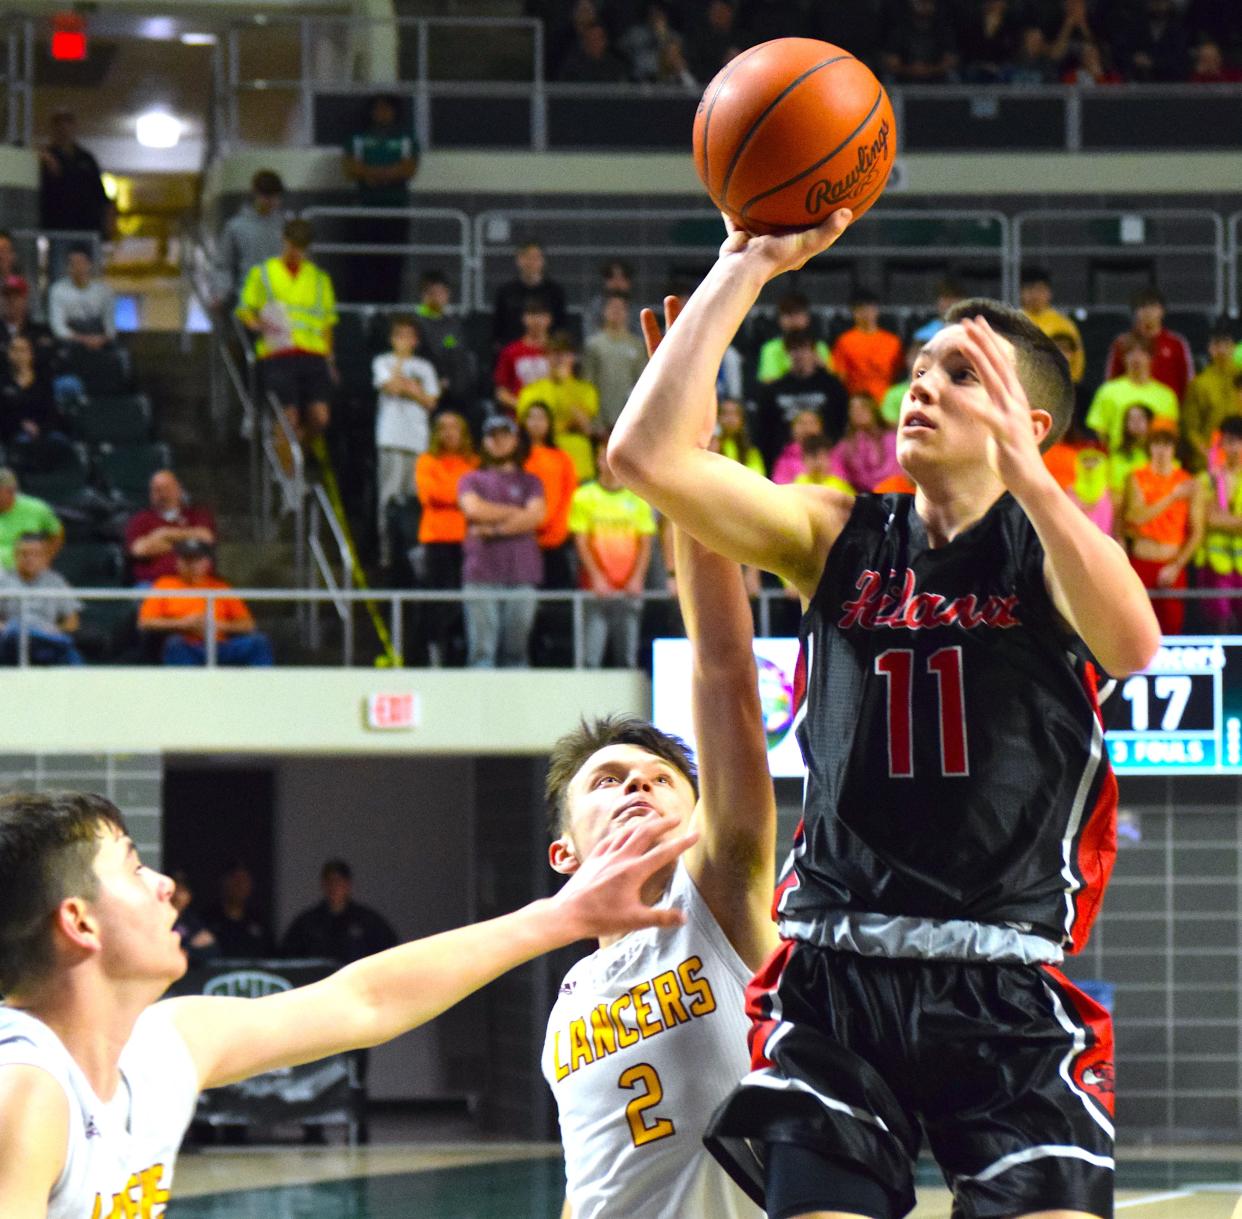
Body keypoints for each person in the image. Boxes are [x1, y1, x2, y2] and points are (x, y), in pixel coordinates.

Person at [609, 209, 1161, 1219]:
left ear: (1028, 425)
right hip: (838, 977)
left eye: (961, 374)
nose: (923, 386)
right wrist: (746, 264)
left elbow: (1134, 644)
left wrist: (1031, 482)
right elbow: (643, 459)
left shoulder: (1045, 554)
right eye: (921, 368)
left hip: (1003, 988)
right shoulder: (838, 531)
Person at [0, 789, 695, 1216]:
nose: (164, 885)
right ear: (80, 923)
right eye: (131, 866)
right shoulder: (25, 1089)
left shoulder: (165, 1045)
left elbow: (363, 1000)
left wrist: (562, 917)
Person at [544, 328, 775, 1213]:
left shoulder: (717, 894)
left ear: (697, 815)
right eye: (606, 781)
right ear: (566, 855)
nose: (636, 782)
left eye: (657, 776)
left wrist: (688, 471)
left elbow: (724, 669)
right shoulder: (567, 996)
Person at [236, 218, 338, 460]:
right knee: (287, 417)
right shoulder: (263, 274)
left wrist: (330, 360)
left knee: (320, 417)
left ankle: (298, 451)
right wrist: (257, 323)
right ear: (284, 241)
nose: (296, 252)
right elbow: (245, 309)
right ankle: (288, 479)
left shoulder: (319, 279)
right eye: (293, 246)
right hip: (278, 352)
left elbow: (327, 322)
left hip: (312, 353)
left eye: (301, 248)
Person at [457, 415, 545, 668]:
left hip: (522, 573)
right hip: (481, 574)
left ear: (516, 440)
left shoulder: (530, 481)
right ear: (483, 442)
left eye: (504, 435)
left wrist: (494, 530)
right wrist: (517, 513)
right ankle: (478, 706)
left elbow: (537, 516)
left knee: (517, 654)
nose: (498, 441)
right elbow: (473, 509)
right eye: (492, 435)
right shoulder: (471, 479)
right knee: (482, 652)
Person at [569, 436, 656, 668]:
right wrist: (596, 577)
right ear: (598, 460)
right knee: (590, 656)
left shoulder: (638, 498)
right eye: (603, 456)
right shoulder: (584, 496)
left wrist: (637, 578)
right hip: (595, 586)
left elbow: (645, 543)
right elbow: (581, 542)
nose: (609, 462)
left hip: (629, 586)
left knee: (627, 656)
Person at [1123, 419, 1203, 636]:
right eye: (1157, 443)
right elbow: (1135, 517)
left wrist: (1176, 565)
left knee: (1171, 627)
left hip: (1171, 565)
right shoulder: (1137, 477)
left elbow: (1197, 532)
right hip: (1141, 560)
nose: (1162, 450)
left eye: (1167, 444)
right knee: (1137, 626)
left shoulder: (1189, 482)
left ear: (1175, 448)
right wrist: (1172, 496)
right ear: (1149, 446)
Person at [138, 538, 274, 667]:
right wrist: (184, 624)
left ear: (207, 562)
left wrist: (216, 625)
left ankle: (265, 689)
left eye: (196, 559)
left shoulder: (220, 587)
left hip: (221, 645)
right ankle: (185, 690)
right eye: (186, 559)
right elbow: (145, 622)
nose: (190, 564)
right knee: (174, 644)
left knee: (258, 642)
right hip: (187, 644)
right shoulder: (164, 584)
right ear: (178, 562)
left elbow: (248, 625)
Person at [373, 315, 440, 569]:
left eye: (408, 336)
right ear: (392, 339)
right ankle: (387, 553)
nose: (404, 340)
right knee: (389, 496)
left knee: (416, 497)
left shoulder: (425, 367)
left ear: (416, 340)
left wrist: (411, 390)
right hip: (391, 436)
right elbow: (389, 387)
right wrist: (402, 369)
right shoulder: (383, 361)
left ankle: (414, 551)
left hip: (418, 439)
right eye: (399, 335)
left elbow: (431, 402)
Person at [342, 94, 420, 304]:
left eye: (386, 109)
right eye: (377, 109)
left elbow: (408, 169)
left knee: (392, 266)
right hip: (365, 211)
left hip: (395, 211)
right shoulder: (359, 138)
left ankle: (388, 311)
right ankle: (362, 314)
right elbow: (351, 168)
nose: (381, 113)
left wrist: (373, 175)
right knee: (363, 267)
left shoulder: (405, 138)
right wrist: (386, 174)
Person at [414, 411, 478, 666]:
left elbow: (478, 496)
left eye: (455, 427)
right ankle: (435, 656)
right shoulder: (426, 461)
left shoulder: (473, 462)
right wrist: (464, 498)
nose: (449, 433)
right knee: (437, 602)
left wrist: (458, 496)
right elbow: (430, 495)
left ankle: (459, 654)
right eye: (444, 428)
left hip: (468, 540)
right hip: (437, 539)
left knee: (464, 602)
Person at [756, 330, 848, 470]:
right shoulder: (774, 389)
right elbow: (765, 431)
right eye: (793, 350)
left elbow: (841, 423)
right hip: (785, 458)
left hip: (827, 456)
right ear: (787, 353)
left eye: (804, 349)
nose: (799, 355)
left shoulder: (832, 386)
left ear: (814, 352)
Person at [517, 332, 600, 481]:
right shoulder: (530, 391)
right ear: (546, 357)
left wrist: (564, 386)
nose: (559, 359)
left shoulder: (586, 390)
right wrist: (565, 426)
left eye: (565, 353)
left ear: (573, 357)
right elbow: (526, 430)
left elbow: (585, 427)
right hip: (541, 463)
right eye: (554, 353)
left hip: (577, 462)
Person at [281, 859, 398, 964]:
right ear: (323, 884)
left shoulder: (367, 920)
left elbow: (388, 952)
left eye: (339, 881)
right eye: (330, 882)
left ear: (348, 884)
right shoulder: (307, 922)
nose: (334, 887)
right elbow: (289, 957)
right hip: (319, 982)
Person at [38, 109, 111, 269]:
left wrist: (105, 229)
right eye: (60, 125)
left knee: (91, 274)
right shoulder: (46, 157)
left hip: (88, 228)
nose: (64, 130)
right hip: (60, 229)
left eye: (67, 124)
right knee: (59, 271)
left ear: (74, 127)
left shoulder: (86, 158)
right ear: (54, 129)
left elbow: (100, 194)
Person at [0, 533, 83, 666]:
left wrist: (56, 630)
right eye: (24, 554)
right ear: (15, 556)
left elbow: (72, 621)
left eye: (36, 554)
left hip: (46, 639)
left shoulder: (56, 582)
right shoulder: (3, 581)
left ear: (46, 557)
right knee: (15, 630)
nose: (30, 559)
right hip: (10, 640)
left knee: (69, 654)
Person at [124, 470, 217, 585]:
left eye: (166, 488)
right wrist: (186, 544)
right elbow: (140, 550)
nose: (162, 494)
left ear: (178, 489)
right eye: (157, 489)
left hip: (196, 583)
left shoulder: (196, 515)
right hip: (152, 585)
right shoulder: (140, 519)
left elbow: (206, 538)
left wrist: (164, 534)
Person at [1086, 338, 1179, 453]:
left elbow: (1169, 433)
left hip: (1152, 464)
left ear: (1151, 357)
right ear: (1123, 358)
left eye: (1142, 353)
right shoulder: (1108, 391)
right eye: (1131, 353)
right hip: (1116, 463)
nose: (1136, 358)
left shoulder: (1166, 396)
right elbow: (1098, 429)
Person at [212, 169, 286, 312]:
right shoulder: (236, 227)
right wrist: (220, 293)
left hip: (279, 302)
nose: (271, 202)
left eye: (275, 197)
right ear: (255, 194)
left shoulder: (284, 226)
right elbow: (223, 264)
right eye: (267, 196)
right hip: (247, 301)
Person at [1104, 287, 1193, 400]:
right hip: (1131, 411)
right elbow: (1112, 380)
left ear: (1162, 310)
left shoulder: (1177, 343)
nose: (1148, 311)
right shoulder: (1121, 343)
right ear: (1135, 312)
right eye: (1142, 306)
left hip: (1166, 409)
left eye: (1153, 306)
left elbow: (1187, 382)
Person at [1196, 414, 1242, 632]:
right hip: (1215, 566)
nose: (1231, 448)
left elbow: (1216, 519)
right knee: (1219, 625)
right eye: (1226, 442)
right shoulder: (1208, 479)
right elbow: (1208, 520)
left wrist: (1222, 520)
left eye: (1236, 442)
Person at [583, 290, 647, 430]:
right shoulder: (594, 344)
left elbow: (642, 384)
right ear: (604, 311)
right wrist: (596, 419)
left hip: (628, 416)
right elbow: (588, 382)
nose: (616, 312)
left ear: (627, 312)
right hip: (601, 416)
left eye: (621, 308)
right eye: (612, 307)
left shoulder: (636, 345)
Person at [1181, 322, 1239, 472]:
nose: (1221, 350)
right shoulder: (1199, 384)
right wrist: (1207, 454)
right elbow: (1191, 429)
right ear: (1209, 349)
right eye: (1216, 345)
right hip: (1209, 462)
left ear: (1234, 347)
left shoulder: (1239, 377)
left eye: (1226, 344)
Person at [829, 289, 904, 402]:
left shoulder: (893, 341)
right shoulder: (844, 341)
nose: (866, 313)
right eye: (861, 309)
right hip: (856, 402)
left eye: (870, 307)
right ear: (853, 312)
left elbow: (900, 375)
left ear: (877, 310)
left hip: (886, 401)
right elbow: (839, 375)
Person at [492, 240, 568, 348]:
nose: (531, 262)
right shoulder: (505, 292)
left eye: (536, 258)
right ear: (518, 260)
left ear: (543, 261)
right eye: (526, 257)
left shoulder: (555, 292)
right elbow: (498, 328)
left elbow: (561, 327)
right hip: (513, 351)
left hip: (548, 351)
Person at [414, 271, 474, 407]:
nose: (436, 297)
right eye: (432, 293)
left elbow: (459, 352)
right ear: (423, 295)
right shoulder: (415, 324)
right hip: (428, 391)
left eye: (441, 293)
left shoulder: (455, 323)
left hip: (456, 392)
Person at [1019, 267, 1085, 383]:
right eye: (1029, 289)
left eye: (1039, 290)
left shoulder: (1063, 324)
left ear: (1049, 293)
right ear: (1021, 293)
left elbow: (1077, 359)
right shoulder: (1010, 321)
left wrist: (1071, 384)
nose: (1035, 295)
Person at [829, 391, 902, 493]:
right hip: (859, 497)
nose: (858, 412)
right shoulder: (845, 446)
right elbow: (837, 471)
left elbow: (895, 470)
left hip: (891, 492)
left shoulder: (892, 438)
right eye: (853, 409)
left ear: (873, 409)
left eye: (862, 407)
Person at [48, 245, 116, 351]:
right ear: (68, 267)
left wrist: (101, 339)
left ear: (90, 264)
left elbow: (110, 326)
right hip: (71, 343)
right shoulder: (58, 290)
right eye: (73, 264)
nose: (77, 268)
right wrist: (84, 340)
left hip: (101, 342)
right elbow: (59, 327)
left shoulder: (104, 291)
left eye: (81, 263)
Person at [756, 292, 832, 384]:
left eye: (798, 313)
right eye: (788, 314)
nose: (793, 319)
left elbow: (832, 380)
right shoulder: (770, 348)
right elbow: (767, 382)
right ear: (780, 319)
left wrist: (818, 363)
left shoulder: (819, 346)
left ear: (807, 318)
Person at [202, 862, 272, 958]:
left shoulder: (259, 921)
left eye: (244, 881)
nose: (239, 886)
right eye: (235, 880)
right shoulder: (207, 919)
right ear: (224, 882)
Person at [494, 295, 553, 411]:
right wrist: (524, 407)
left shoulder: (557, 352)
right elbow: (501, 392)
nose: (536, 321)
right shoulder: (510, 351)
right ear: (524, 319)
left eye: (541, 316)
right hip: (519, 415)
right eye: (532, 315)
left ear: (549, 319)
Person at [0, 335, 60, 447]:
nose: (18, 355)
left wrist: (40, 428)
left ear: (31, 354)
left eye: (23, 350)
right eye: (14, 349)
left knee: (59, 442)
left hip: (43, 432)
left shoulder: (43, 381)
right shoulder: (3, 382)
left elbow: (51, 412)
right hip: (12, 434)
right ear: (8, 354)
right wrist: (20, 425)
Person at [0, 467, 63, 570]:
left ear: (11, 491)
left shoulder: (37, 509)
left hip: (26, 574)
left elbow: (57, 533)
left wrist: (46, 558)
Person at [170, 871, 217, 966]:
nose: (176, 896)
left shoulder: (191, 921)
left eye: (181, 890)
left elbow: (212, 949)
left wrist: (188, 950)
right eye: (173, 889)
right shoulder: (155, 919)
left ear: (189, 896)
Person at [770, 407, 826, 485]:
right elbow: (779, 486)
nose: (807, 428)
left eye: (812, 423)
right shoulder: (785, 459)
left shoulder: (831, 454)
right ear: (792, 429)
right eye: (802, 423)